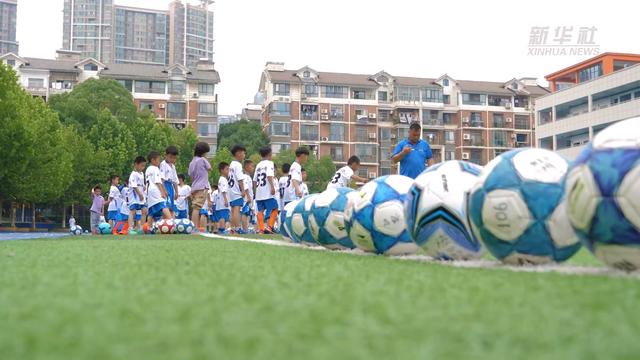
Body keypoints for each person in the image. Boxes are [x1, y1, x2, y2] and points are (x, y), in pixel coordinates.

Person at [254, 147, 279, 234]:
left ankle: (261, 229)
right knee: (275, 208)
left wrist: (255, 192)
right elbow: (269, 175)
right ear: (269, 154)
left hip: (259, 192)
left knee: (260, 211)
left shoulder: (258, 165)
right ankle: (269, 227)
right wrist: (272, 187)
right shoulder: (270, 163)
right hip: (267, 191)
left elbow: (254, 180)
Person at [188, 142, 212, 232]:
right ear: (203, 152)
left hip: (194, 187)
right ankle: (194, 227)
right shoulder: (202, 159)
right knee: (197, 208)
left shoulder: (192, 162)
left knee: (195, 207)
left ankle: (195, 227)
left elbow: (190, 175)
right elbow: (210, 168)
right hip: (202, 187)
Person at [146, 151, 172, 225]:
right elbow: (158, 182)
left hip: (150, 192)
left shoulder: (148, 169)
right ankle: (172, 222)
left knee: (151, 212)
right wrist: (162, 192)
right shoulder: (155, 168)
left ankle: (149, 228)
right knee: (163, 205)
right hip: (155, 190)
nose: (159, 161)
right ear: (153, 160)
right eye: (158, 159)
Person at [228, 145, 247, 234]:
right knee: (236, 209)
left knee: (232, 210)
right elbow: (240, 179)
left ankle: (232, 228)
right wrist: (243, 190)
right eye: (243, 153)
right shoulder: (238, 165)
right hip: (236, 190)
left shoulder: (231, 164)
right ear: (238, 153)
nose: (244, 155)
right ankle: (238, 228)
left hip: (231, 190)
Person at [128, 156, 147, 235]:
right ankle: (130, 228)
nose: (143, 167)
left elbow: (141, 184)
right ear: (136, 164)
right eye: (141, 165)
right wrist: (139, 194)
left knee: (144, 211)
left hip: (141, 196)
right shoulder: (133, 174)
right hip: (135, 196)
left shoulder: (142, 173)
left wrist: (144, 186)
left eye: (144, 165)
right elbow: (134, 185)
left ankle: (141, 228)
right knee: (133, 211)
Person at [160, 146, 179, 217]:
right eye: (170, 157)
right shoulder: (163, 164)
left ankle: (169, 225)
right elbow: (161, 179)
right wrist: (164, 190)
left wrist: (177, 192)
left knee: (171, 207)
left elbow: (175, 181)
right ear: (166, 155)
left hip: (171, 187)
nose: (172, 159)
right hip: (165, 185)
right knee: (166, 206)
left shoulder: (173, 166)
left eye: (174, 158)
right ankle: (165, 224)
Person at [215, 162, 231, 235]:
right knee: (223, 216)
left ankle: (221, 229)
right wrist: (226, 200)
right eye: (227, 169)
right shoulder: (223, 179)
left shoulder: (221, 179)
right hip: (223, 201)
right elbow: (224, 191)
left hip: (220, 201)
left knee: (223, 216)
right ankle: (222, 230)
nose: (228, 171)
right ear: (222, 170)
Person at [241, 160, 255, 233]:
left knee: (247, 214)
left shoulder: (248, 177)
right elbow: (245, 187)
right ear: (246, 167)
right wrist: (248, 197)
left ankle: (245, 228)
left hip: (248, 198)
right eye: (252, 166)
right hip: (246, 199)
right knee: (245, 213)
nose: (253, 168)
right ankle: (244, 229)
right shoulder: (245, 176)